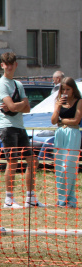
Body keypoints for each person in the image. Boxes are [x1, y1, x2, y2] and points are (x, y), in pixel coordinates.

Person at [0, 51, 44, 209]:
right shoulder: (1, 85)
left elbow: (27, 108)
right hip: (7, 127)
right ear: (2, 65)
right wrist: (19, 104)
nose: (9, 67)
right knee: (12, 162)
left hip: (20, 126)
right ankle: (8, 200)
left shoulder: (18, 84)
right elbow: (13, 106)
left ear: (15, 65)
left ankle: (30, 198)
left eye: (11, 64)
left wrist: (17, 105)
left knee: (32, 160)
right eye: (6, 64)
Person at [50, 77, 82, 208]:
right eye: (63, 89)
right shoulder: (58, 101)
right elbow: (53, 121)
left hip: (73, 134)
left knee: (68, 166)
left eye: (68, 89)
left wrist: (62, 121)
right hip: (60, 134)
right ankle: (62, 198)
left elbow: (76, 121)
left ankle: (69, 199)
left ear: (73, 89)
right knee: (59, 167)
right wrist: (57, 107)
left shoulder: (79, 101)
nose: (65, 92)